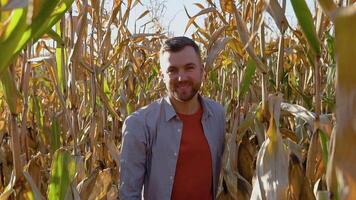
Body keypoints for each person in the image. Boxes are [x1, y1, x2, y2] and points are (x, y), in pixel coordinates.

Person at [119, 36, 225, 200]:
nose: (181, 78)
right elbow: (129, 194)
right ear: (162, 76)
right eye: (172, 70)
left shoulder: (217, 115)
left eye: (189, 68)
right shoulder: (139, 124)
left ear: (202, 71)